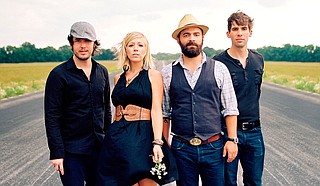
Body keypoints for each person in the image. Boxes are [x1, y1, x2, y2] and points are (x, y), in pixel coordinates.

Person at [161, 14, 239, 186]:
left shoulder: (219, 69)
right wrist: (164, 145)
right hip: (182, 148)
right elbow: (165, 113)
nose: (191, 39)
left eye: (196, 34)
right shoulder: (168, 73)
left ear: (202, 38)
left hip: (213, 147)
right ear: (178, 40)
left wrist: (232, 140)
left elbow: (230, 108)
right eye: (186, 35)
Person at [96, 31, 178, 186]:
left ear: (145, 50)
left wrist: (157, 142)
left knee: (147, 180)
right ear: (125, 49)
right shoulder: (117, 78)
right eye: (131, 45)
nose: (135, 49)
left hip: (143, 136)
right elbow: (117, 111)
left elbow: (156, 110)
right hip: (118, 137)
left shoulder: (153, 75)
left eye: (140, 45)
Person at [44, 21, 112, 186]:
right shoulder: (58, 75)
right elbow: (52, 116)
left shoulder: (102, 72)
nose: (83, 46)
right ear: (71, 43)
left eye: (87, 41)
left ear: (94, 44)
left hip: (98, 147)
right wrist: (56, 152)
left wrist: (108, 144)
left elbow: (106, 110)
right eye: (78, 41)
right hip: (71, 151)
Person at [213, 11, 265, 186]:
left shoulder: (258, 59)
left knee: (254, 181)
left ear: (250, 32)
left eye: (244, 28)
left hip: (254, 132)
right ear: (228, 33)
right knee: (228, 181)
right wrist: (228, 137)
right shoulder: (218, 63)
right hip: (227, 132)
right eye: (235, 29)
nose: (240, 33)